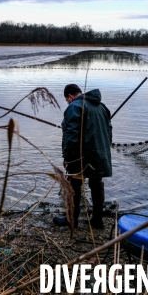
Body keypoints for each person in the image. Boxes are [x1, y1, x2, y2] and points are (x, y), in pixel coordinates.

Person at [53, 84, 112, 229]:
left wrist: (68, 157)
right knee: (96, 185)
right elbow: (109, 131)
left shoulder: (75, 106)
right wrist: (103, 149)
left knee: (73, 185)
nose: (68, 102)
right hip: (100, 154)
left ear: (70, 96)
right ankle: (97, 221)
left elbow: (71, 135)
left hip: (81, 157)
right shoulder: (102, 106)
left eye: (67, 99)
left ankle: (71, 220)